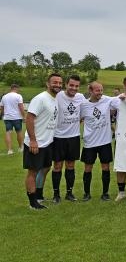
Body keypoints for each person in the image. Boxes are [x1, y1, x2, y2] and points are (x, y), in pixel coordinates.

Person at [23, 73, 62, 209]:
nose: (57, 85)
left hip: (47, 142)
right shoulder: (40, 98)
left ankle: (39, 195)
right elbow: (29, 118)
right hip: (36, 142)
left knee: (45, 168)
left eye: (59, 83)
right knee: (33, 171)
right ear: (47, 84)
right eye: (54, 82)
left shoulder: (54, 98)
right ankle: (33, 203)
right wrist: (33, 140)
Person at [79, 82, 120, 201]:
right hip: (90, 142)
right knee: (88, 168)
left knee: (105, 167)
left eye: (101, 90)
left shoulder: (107, 100)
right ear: (90, 91)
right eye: (97, 90)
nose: (100, 93)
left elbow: (121, 99)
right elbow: (78, 119)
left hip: (105, 141)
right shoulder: (84, 105)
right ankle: (86, 194)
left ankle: (105, 193)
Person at [51, 75, 85, 203]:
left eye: (76, 86)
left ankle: (69, 193)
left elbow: (86, 111)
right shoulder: (58, 96)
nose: (74, 88)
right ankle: (56, 195)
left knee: (71, 165)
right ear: (66, 84)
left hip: (74, 137)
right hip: (58, 137)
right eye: (71, 85)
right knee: (58, 166)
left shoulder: (81, 97)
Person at [0, 84, 26, 155]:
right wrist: (24, 116)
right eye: (18, 89)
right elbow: (21, 107)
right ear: (16, 88)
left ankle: (9, 150)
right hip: (17, 117)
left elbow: (2, 108)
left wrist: (1, 115)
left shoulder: (4, 97)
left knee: (8, 132)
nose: (18, 91)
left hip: (7, 118)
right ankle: (21, 148)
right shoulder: (18, 96)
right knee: (19, 132)